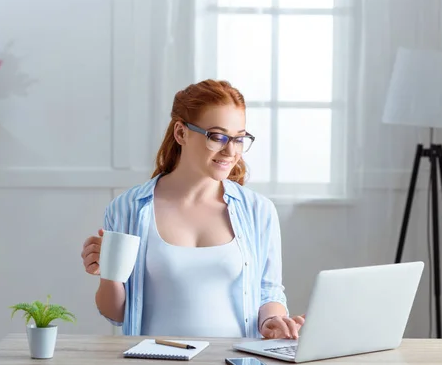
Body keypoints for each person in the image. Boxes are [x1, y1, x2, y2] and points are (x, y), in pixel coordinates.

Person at [80, 79, 305, 340]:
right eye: (217, 137)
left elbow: (269, 292)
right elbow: (116, 315)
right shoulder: (129, 208)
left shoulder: (258, 210)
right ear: (181, 133)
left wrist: (273, 321)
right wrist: (109, 273)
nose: (231, 151)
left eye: (239, 139)